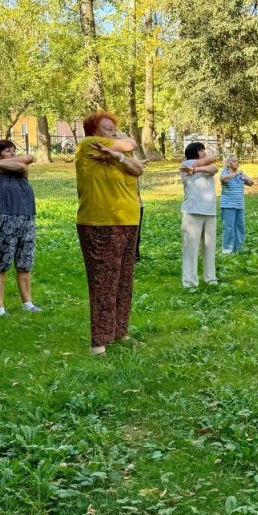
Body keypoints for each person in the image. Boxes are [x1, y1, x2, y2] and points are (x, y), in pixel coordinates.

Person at [75, 111, 144, 354]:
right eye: (107, 129)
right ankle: (99, 343)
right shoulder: (86, 146)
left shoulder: (118, 153)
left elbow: (138, 169)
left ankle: (119, 332)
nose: (113, 133)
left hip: (128, 220)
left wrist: (119, 158)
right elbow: (130, 143)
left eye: (114, 129)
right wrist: (122, 146)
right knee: (103, 281)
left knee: (124, 280)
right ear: (94, 132)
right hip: (100, 223)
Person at [0, 140, 40, 316]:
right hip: (5, 219)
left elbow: (29, 158)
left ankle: (28, 304)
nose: (13, 154)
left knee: (25, 264)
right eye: (8, 151)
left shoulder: (20, 168)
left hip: (27, 218)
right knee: (1, 265)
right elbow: (18, 162)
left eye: (14, 151)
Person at [180, 142, 219, 287]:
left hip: (209, 211)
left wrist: (195, 170)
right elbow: (210, 161)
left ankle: (211, 278)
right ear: (193, 153)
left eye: (203, 150)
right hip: (192, 212)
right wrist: (197, 167)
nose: (204, 152)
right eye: (201, 150)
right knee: (191, 248)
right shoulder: (186, 164)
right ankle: (190, 282)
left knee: (210, 247)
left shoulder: (195, 167)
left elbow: (214, 168)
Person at [220, 154, 254, 254]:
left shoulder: (240, 174)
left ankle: (238, 249)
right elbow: (223, 180)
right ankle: (227, 251)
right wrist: (235, 174)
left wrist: (245, 178)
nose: (237, 163)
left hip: (240, 204)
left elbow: (251, 183)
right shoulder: (225, 172)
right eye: (234, 161)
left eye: (237, 161)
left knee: (240, 227)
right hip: (228, 205)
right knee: (229, 228)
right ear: (228, 163)